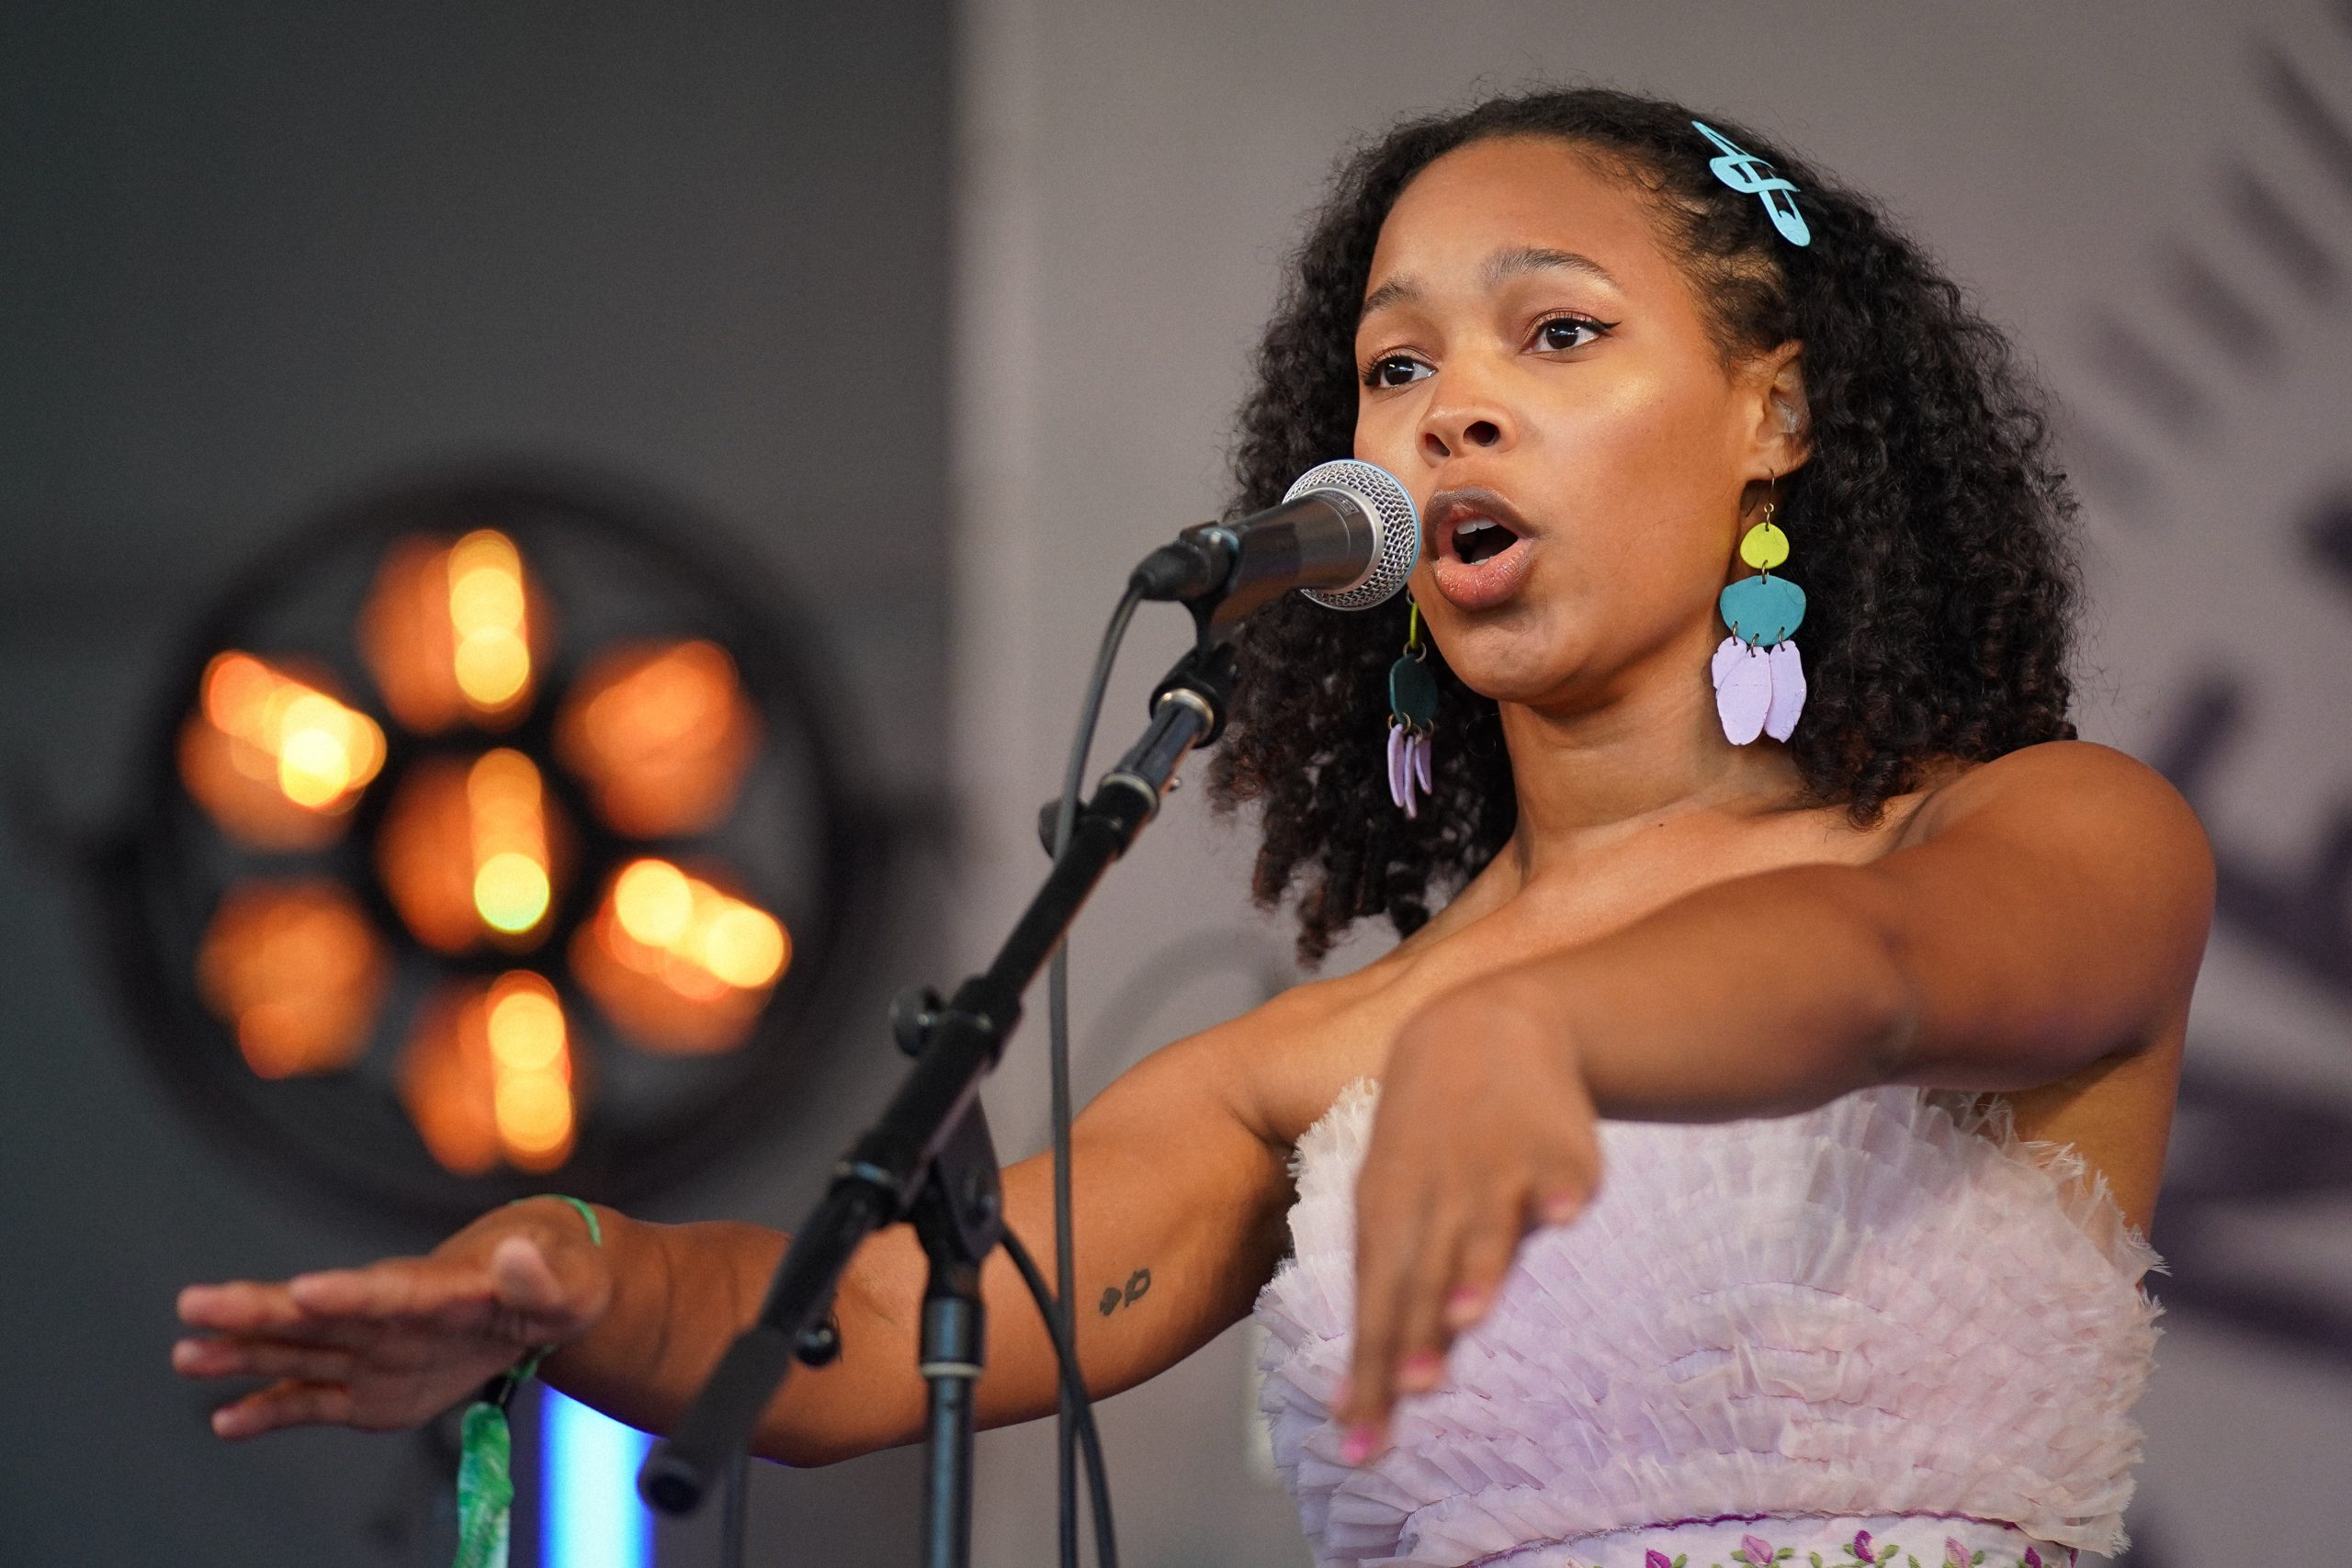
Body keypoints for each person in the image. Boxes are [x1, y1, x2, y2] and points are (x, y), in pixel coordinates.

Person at [175, 86, 2212, 1568]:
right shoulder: (1314, 1060)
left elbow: (1879, 977)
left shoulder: (2040, 832)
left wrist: (1550, 1027)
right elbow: (878, 1327)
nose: (1446, 409)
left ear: (1776, 412)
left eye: (1555, 332)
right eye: (1394, 364)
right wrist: (575, 1274)